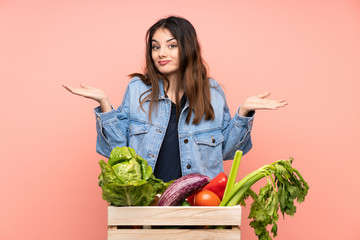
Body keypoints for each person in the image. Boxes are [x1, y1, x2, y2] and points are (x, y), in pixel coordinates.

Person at [63, 16, 287, 182]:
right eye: (155, 47)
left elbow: (227, 151)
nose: (161, 53)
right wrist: (104, 105)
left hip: (198, 203)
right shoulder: (137, 89)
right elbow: (118, 151)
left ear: (187, 48)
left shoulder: (212, 92)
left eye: (172, 46)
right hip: (146, 203)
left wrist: (244, 113)